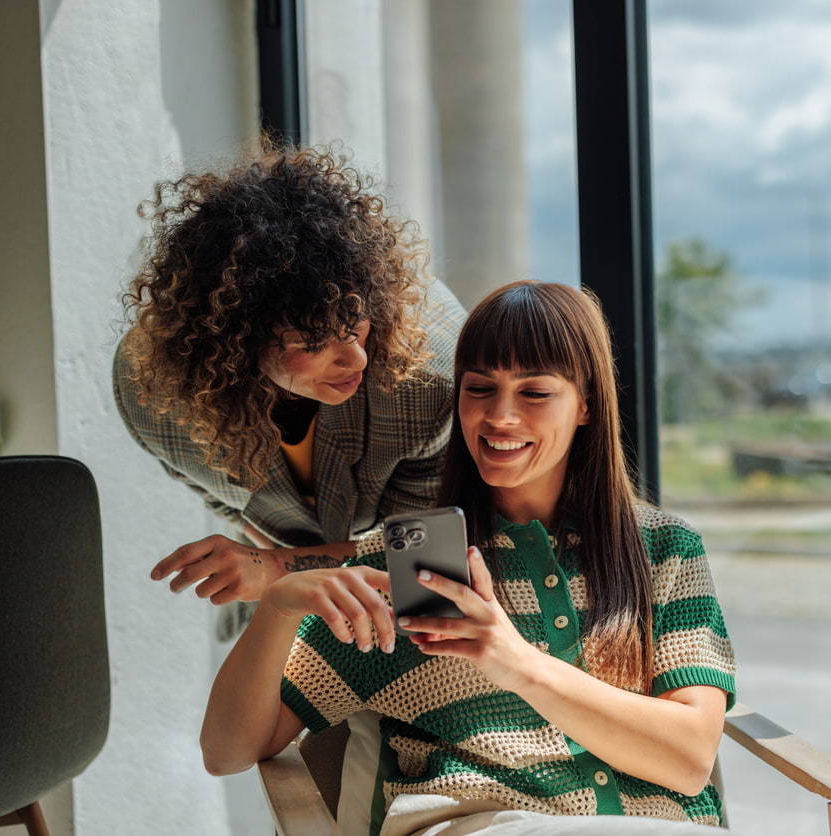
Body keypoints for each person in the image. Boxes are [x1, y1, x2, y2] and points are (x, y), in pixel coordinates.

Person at [200, 281, 737, 835]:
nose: (500, 416)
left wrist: (515, 662)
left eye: (534, 393)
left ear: (586, 405)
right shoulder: (403, 566)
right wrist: (278, 610)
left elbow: (689, 760)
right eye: (479, 388)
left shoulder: (664, 549)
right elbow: (228, 750)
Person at [114, 144, 466, 609]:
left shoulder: (430, 380)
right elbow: (239, 509)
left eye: (357, 321)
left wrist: (275, 570)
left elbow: (427, 566)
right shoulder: (155, 395)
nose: (357, 358)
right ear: (235, 341)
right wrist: (277, 574)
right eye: (313, 342)